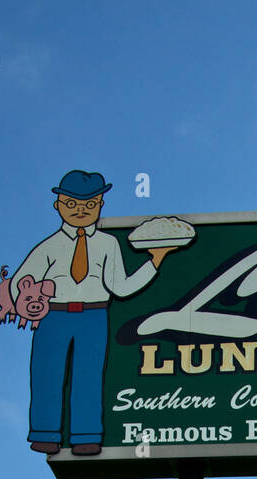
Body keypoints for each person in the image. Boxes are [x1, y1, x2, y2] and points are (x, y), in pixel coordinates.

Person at [9, 169, 176, 455]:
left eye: (89, 204)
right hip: (54, 316)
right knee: (47, 374)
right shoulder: (50, 246)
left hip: (94, 314)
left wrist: (154, 261)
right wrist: (30, 307)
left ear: (99, 205)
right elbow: (20, 282)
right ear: (58, 205)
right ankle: (45, 433)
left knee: (88, 375)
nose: (80, 210)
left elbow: (121, 287)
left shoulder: (107, 244)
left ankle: (86, 437)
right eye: (72, 204)